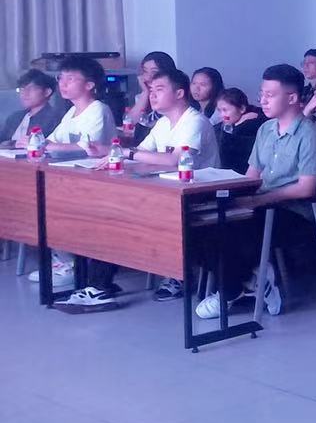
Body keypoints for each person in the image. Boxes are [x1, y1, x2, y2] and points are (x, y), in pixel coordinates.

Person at [201, 64, 316, 319]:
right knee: (205, 224)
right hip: (262, 203)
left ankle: (233, 290)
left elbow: (307, 188)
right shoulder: (265, 129)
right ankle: (252, 281)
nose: (262, 100)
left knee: (231, 230)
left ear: (292, 98)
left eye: (270, 95)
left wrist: (258, 200)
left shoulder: (310, 135)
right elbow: (252, 176)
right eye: (262, 94)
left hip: (295, 213)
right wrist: (235, 194)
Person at [87, 68, 221, 305]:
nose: (152, 95)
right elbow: (140, 151)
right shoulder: (162, 124)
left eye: (159, 89)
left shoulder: (194, 122)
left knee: (124, 214)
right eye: (151, 90)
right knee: (110, 210)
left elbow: (174, 160)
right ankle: (99, 285)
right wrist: (109, 152)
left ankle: (176, 275)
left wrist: (127, 153)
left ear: (179, 93)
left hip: (199, 196)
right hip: (165, 191)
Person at [36, 57, 117, 296]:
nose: (63, 83)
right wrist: (37, 142)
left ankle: (75, 267)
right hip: (75, 178)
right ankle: (65, 261)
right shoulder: (72, 111)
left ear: (90, 84)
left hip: (99, 181)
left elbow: (86, 148)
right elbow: (51, 140)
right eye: (61, 78)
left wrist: (46, 146)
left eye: (71, 79)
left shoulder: (98, 109)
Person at [120, 51, 176, 140]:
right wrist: (145, 92)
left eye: (154, 72)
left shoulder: (172, 98)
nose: (148, 77)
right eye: (145, 71)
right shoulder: (142, 97)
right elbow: (129, 123)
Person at [2, 69, 64, 147]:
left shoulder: (55, 119)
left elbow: (45, 144)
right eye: (22, 89)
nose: (24, 93)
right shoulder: (14, 117)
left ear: (47, 92)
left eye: (31, 89)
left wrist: (11, 144)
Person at [215, 87, 262, 174]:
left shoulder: (253, 125)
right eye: (219, 110)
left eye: (225, 110)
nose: (222, 115)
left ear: (242, 109)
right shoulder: (218, 127)